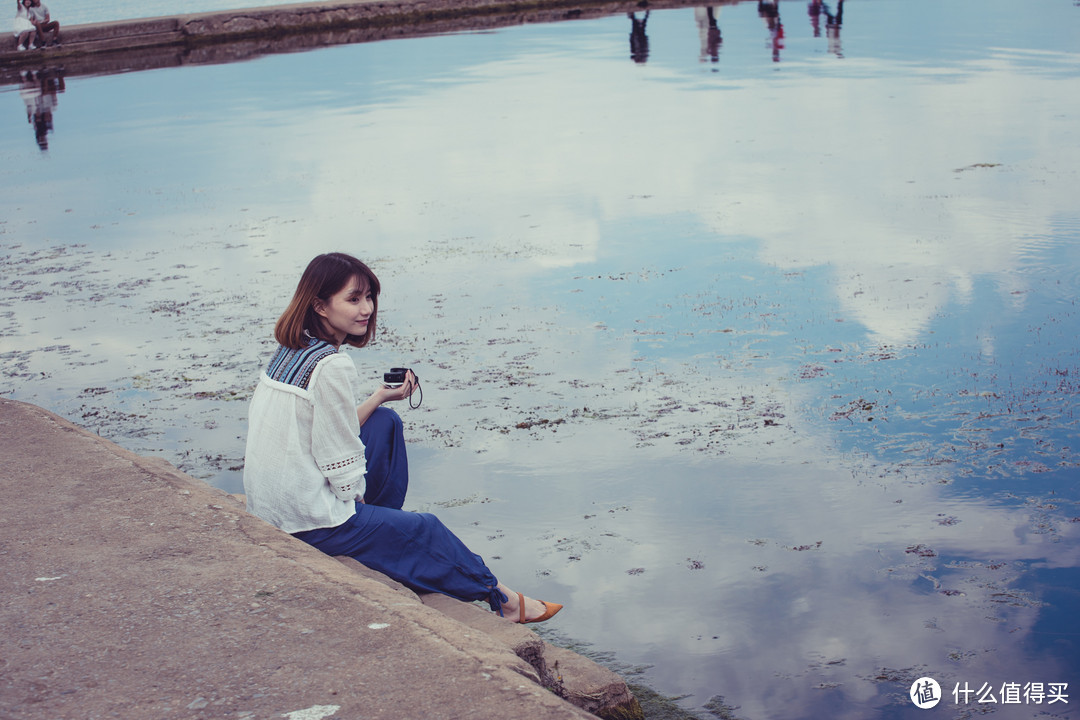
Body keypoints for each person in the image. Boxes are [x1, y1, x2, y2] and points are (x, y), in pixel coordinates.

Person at [243, 252, 562, 624]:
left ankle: (384, 535)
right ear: (320, 305)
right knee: (424, 528)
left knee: (384, 421)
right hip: (306, 521)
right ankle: (506, 600)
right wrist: (358, 504)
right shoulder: (331, 365)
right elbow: (338, 461)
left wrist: (379, 395)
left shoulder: (293, 349)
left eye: (369, 297)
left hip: (272, 507)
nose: (366, 309)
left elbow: (329, 424)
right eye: (354, 298)